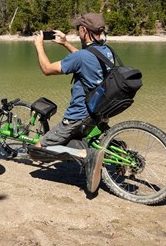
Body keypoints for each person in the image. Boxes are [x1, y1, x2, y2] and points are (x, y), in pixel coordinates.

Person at [32, 12, 112, 193]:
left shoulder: (81, 57)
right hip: (98, 112)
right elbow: (86, 59)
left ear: (84, 30)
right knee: (70, 140)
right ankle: (85, 148)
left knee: (37, 150)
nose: (77, 33)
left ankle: (85, 154)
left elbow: (47, 69)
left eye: (78, 29)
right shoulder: (106, 51)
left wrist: (39, 46)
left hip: (78, 116)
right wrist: (66, 43)